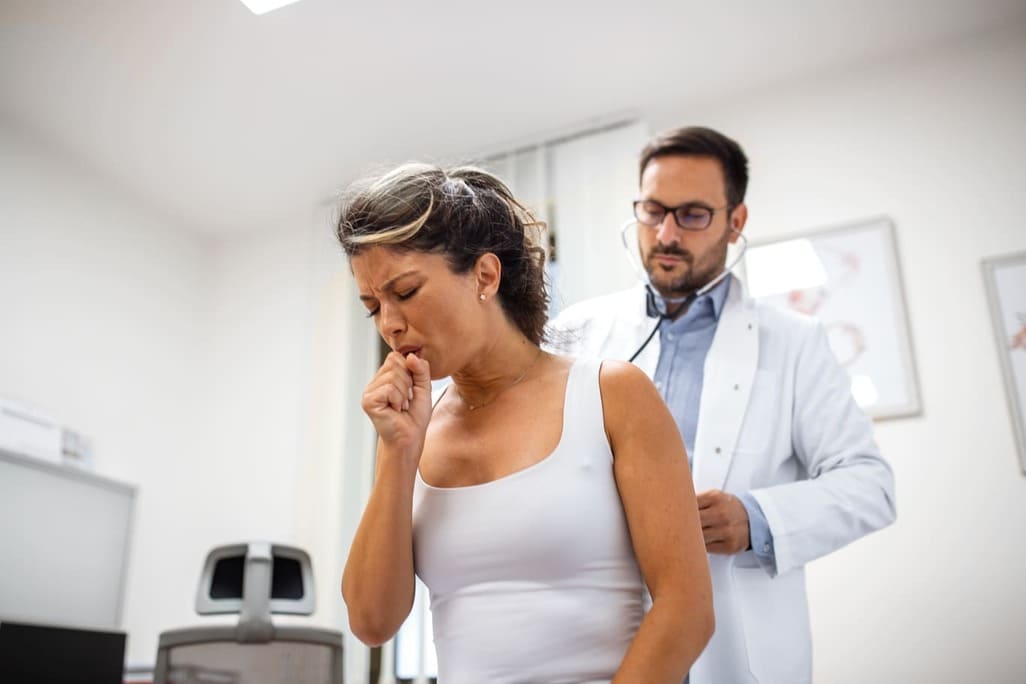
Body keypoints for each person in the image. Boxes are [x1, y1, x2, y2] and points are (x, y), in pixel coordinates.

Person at [336, 163, 714, 684]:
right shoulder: (410, 433)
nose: (390, 324)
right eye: (372, 306)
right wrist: (398, 454)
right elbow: (371, 622)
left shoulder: (612, 395)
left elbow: (687, 609)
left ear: (485, 277)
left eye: (404, 292)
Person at [549, 126, 897, 684]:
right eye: (652, 210)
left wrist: (756, 519)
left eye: (691, 215)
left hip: (735, 647)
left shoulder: (793, 342)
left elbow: (870, 485)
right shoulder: (576, 332)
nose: (665, 233)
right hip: (596, 640)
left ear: (736, 223)